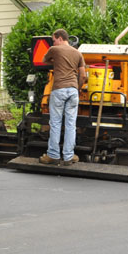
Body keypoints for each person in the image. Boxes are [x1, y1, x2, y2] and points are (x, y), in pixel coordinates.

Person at [40, 28, 86, 166]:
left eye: (54, 40)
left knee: (55, 123)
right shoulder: (78, 53)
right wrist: (77, 89)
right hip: (73, 91)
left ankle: (53, 155)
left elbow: (43, 60)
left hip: (59, 90)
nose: (53, 42)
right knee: (71, 125)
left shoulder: (55, 50)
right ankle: (68, 157)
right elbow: (83, 75)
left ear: (60, 38)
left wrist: (56, 63)